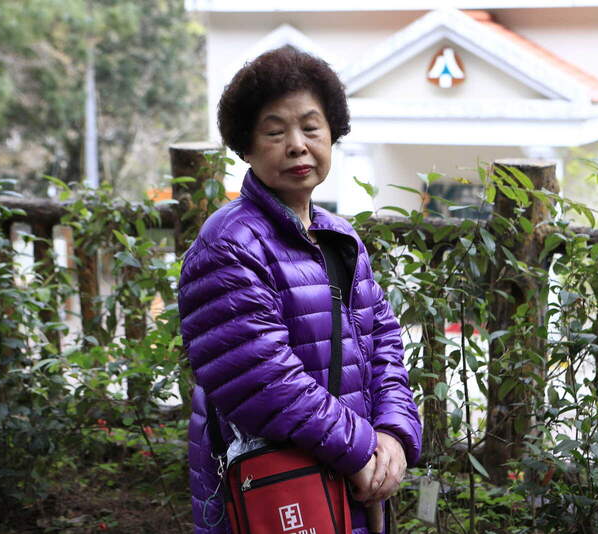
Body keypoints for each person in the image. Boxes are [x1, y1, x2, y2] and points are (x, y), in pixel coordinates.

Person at [177, 45, 422, 534]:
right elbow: (259, 377)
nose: (296, 145)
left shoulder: (340, 237)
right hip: (278, 495)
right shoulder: (228, 244)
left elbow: (384, 345)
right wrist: (360, 451)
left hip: (348, 484)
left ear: (333, 134)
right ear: (246, 146)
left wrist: (394, 434)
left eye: (311, 128)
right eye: (275, 132)